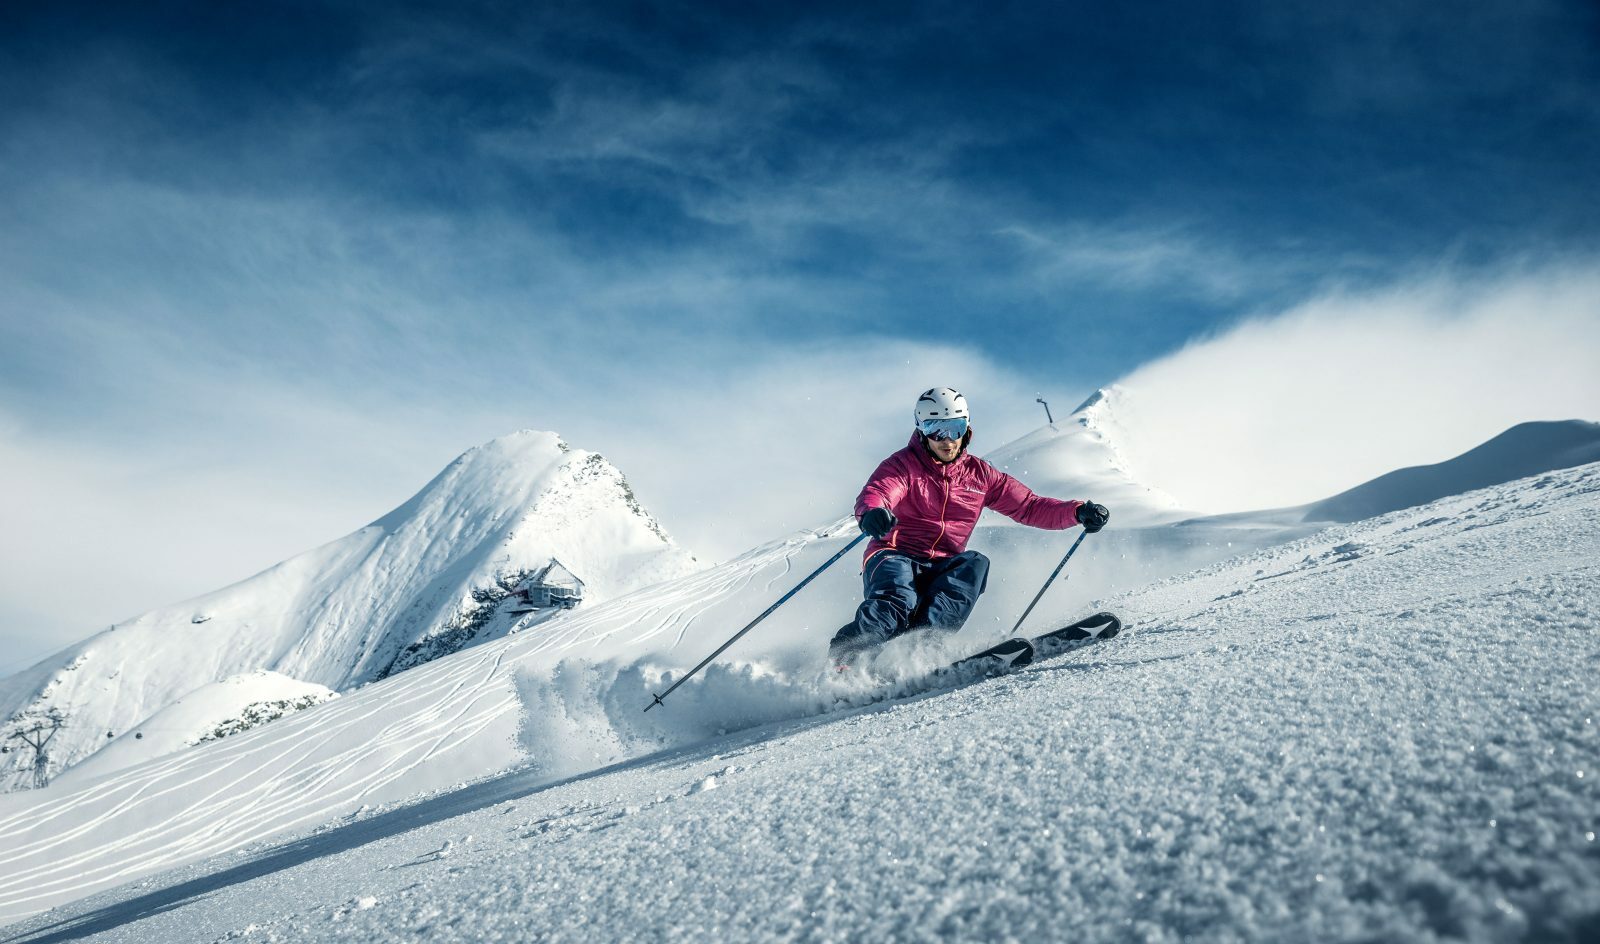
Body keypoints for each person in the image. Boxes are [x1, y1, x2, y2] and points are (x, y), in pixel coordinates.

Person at [829, 387, 1109, 664]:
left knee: (974, 564)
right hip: (894, 553)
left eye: (956, 427)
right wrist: (873, 512)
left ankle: (921, 652)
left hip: (944, 563)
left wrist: (1076, 512)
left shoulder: (980, 476)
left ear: (966, 428)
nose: (947, 439)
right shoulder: (904, 466)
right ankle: (846, 660)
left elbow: (1029, 506)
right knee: (896, 602)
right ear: (921, 429)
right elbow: (879, 491)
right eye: (936, 428)